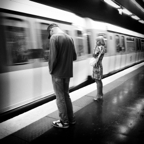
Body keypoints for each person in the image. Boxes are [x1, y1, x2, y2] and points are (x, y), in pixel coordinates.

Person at [47, 23, 77, 128]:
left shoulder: (54, 38)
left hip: (58, 74)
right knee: (66, 95)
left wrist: (51, 70)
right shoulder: (70, 38)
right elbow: (74, 57)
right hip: (67, 73)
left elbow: (53, 58)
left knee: (60, 97)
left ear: (51, 31)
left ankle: (64, 122)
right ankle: (71, 119)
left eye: (49, 34)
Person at [92, 36, 106, 101]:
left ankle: (98, 96)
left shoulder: (99, 48)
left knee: (97, 81)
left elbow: (94, 55)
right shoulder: (103, 48)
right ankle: (101, 94)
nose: (96, 42)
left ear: (100, 41)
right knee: (99, 81)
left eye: (97, 41)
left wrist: (94, 47)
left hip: (97, 66)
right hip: (99, 65)